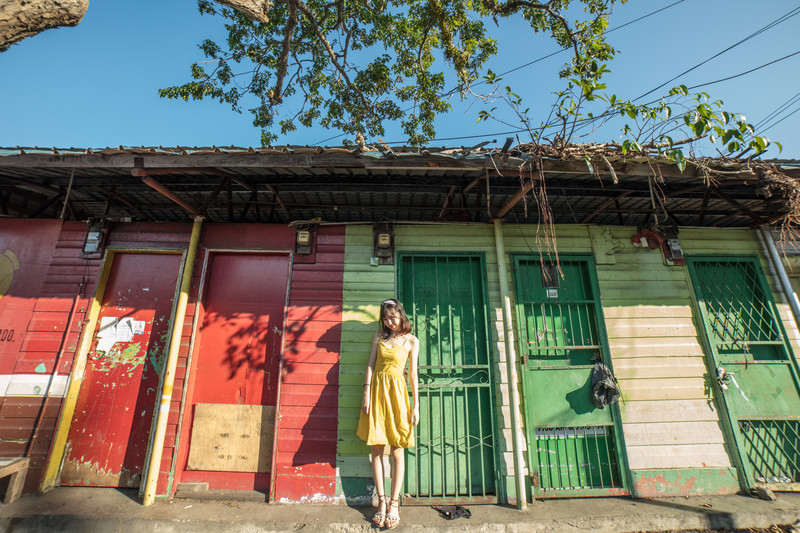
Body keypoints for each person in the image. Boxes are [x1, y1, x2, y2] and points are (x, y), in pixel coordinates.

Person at [357, 298, 420, 530]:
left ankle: (394, 503)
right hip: (377, 394)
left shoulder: (411, 341)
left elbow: (413, 374)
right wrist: (366, 392)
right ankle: (381, 502)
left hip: (398, 396)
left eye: (393, 317)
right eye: (385, 319)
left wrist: (416, 405)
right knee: (376, 449)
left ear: (401, 315)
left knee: (397, 450)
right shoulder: (379, 337)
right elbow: (370, 365)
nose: (390, 322)